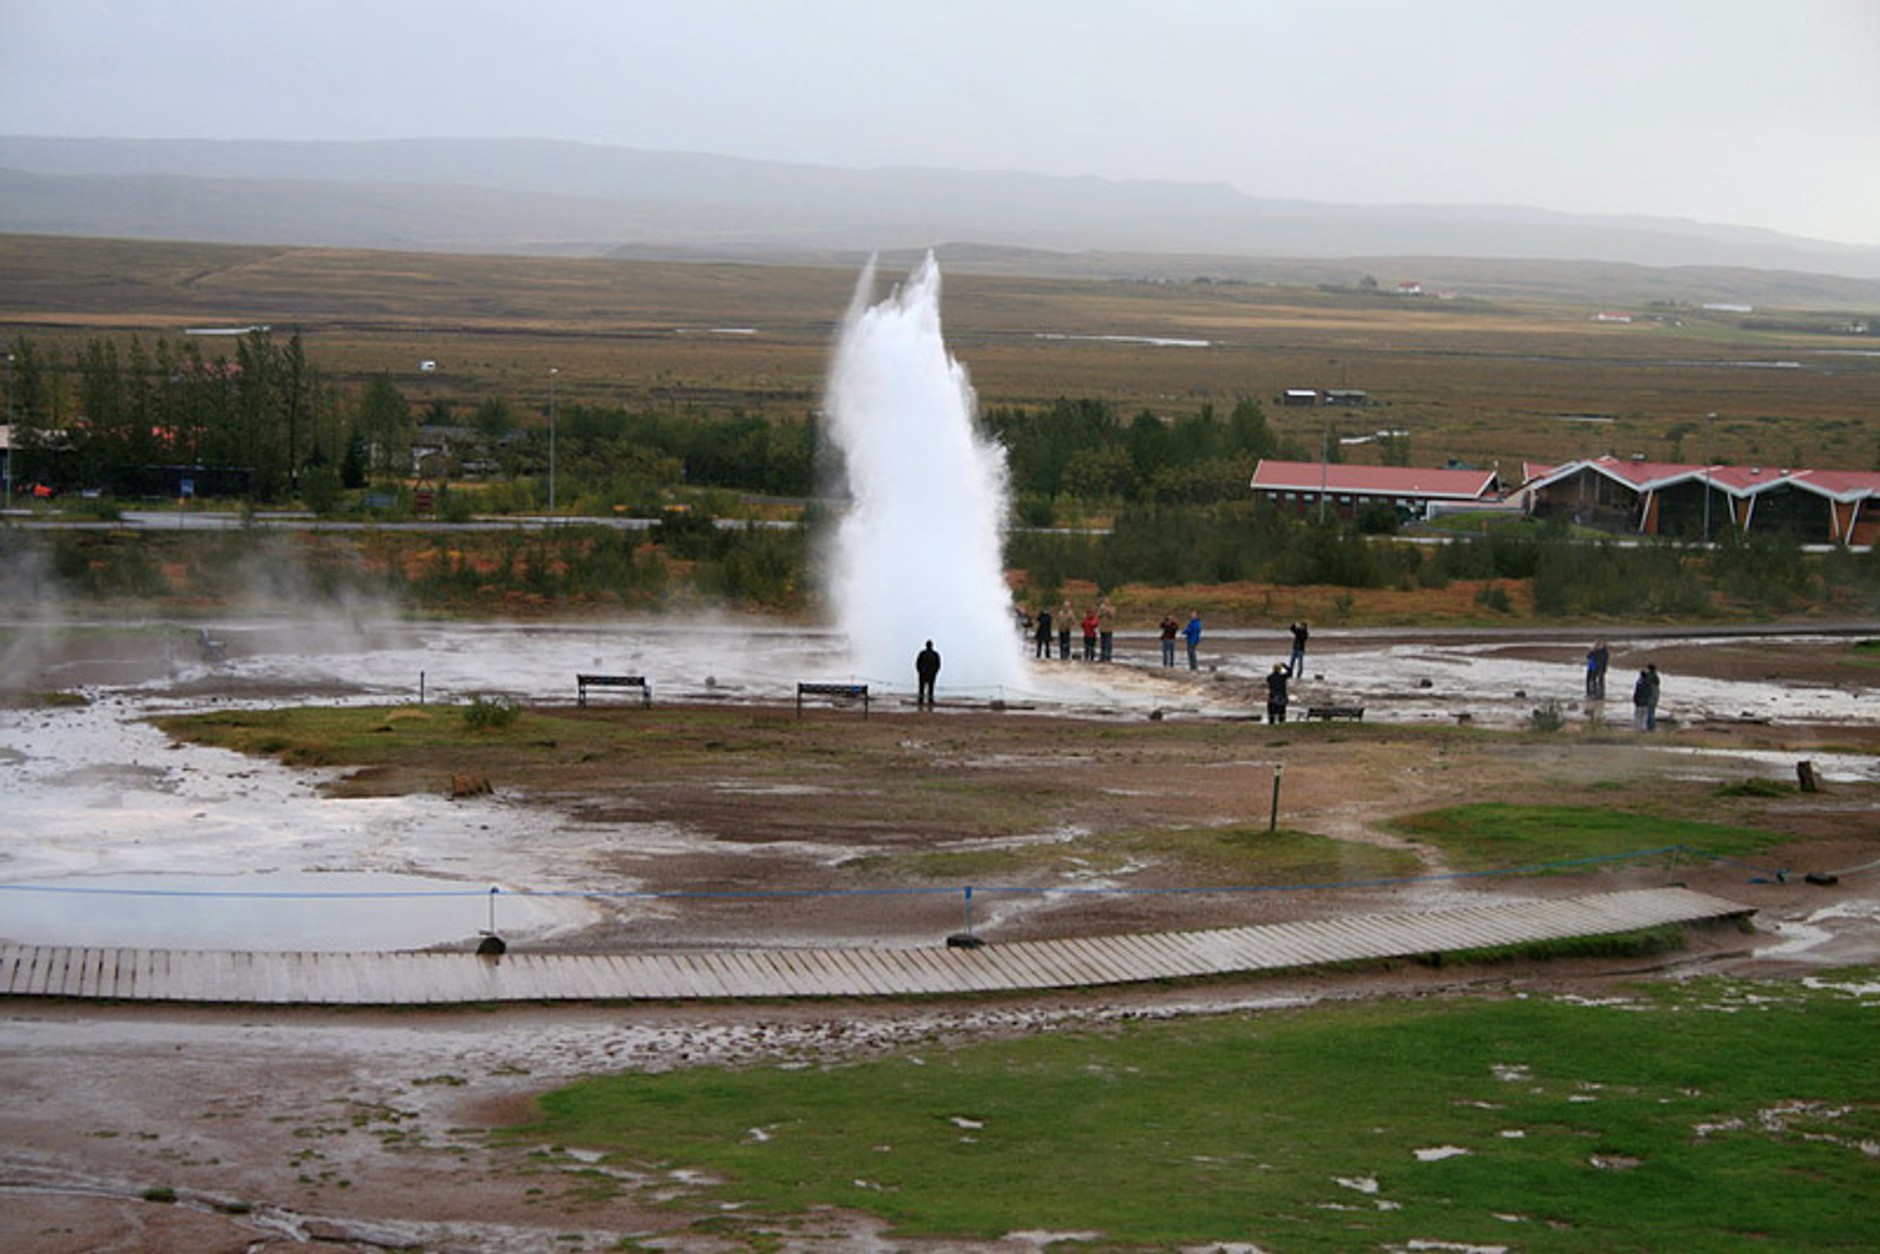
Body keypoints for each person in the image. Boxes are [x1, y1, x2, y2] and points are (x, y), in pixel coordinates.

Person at [1632, 663, 1660, 732]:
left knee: (1643, 715)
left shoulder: (1646, 680)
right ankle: (1649, 728)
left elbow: (1639, 692)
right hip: (1650, 699)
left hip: (1645, 701)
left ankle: (1647, 728)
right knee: (1648, 714)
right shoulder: (1655, 678)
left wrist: (1635, 700)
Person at [915, 640, 941, 709]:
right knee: (928, 688)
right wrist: (935, 672)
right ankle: (927, 700)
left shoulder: (924, 653)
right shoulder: (934, 654)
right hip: (928, 674)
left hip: (925, 673)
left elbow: (918, 664)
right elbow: (918, 664)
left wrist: (920, 671)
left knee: (924, 688)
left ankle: (923, 700)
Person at [1097, 597, 1115, 662]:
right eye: (1105, 602)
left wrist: (1107, 610)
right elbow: (1098, 616)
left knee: (1108, 643)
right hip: (1102, 628)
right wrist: (1101, 610)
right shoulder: (1101, 609)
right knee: (1102, 643)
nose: (1106, 603)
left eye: (1107, 602)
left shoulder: (1112, 608)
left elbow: (1112, 616)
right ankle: (1102, 656)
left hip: (1109, 628)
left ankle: (1108, 656)